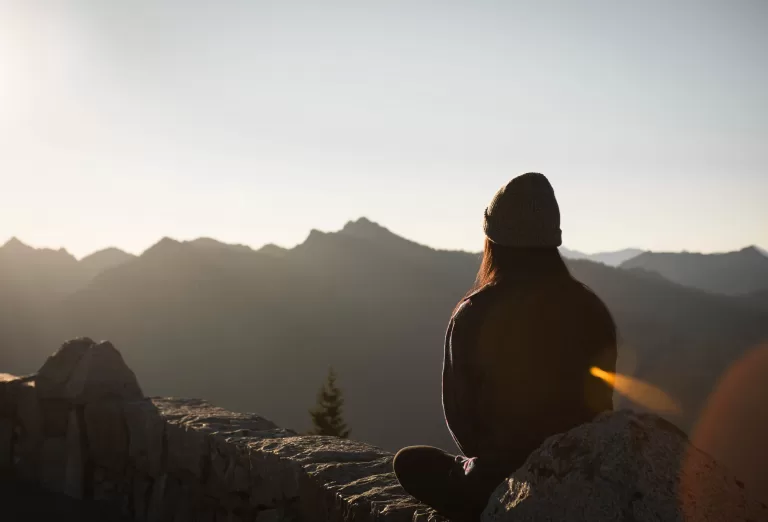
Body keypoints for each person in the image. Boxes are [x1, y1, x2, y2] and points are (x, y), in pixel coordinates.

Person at [393, 173, 617, 521]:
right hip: (583, 471)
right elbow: (602, 405)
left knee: (410, 462)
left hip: (503, 481)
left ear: (492, 241)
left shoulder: (474, 314)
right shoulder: (592, 310)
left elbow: (462, 421)